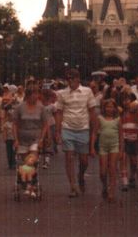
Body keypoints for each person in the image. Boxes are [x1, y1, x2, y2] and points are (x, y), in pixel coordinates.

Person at [54, 69, 98, 198]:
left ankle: (80, 175)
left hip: (83, 128)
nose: (70, 81)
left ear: (78, 79)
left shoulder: (87, 91)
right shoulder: (62, 93)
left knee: (84, 160)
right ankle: (73, 186)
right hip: (67, 128)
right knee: (69, 157)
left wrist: (95, 128)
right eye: (68, 79)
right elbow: (59, 112)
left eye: (73, 78)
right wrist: (57, 131)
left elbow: (92, 111)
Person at [95, 98, 123, 202]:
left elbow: (121, 135)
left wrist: (121, 150)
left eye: (111, 107)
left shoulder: (118, 119)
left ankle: (112, 192)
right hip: (103, 146)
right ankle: (105, 185)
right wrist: (92, 147)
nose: (109, 109)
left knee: (112, 168)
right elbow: (94, 133)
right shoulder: (100, 118)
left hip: (114, 146)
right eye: (107, 107)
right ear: (104, 108)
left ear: (115, 108)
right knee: (102, 171)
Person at [120, 99, 138, 190]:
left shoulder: (136, 114)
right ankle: (125, 182)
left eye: (129, 100)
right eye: (125, 100)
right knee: (123, 160)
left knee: (134, 162)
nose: (126, 102)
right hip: (123, 140)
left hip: (134, 140)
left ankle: (132, 176)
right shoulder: (121, 112)